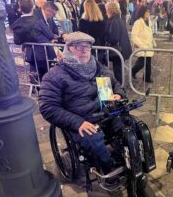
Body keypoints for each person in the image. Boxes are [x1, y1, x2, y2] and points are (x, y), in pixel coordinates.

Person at [38, 32, 126, 184]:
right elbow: (48, 107)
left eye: (87, 46)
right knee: (94, 140)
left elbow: (115, 84)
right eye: (79, 46)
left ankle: (125, 156)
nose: (85, 50)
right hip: (80, 119)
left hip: (105, 112)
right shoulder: (55, 75)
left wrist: (118, 94)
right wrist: (77, 123)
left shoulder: (98, 67)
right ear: (69, 48)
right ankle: (108, 169)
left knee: (128, 126)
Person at [11, 0, 58, 84]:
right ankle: (42, 88)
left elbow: (17, 41)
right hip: (43, 52)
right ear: (32, 7)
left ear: (20, 9)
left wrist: (26, 40)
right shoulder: (38, 21)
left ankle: (35, 83)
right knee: (45, 75)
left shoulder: (16, 24)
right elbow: (50, 35)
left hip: (30, 52)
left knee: (35, 70)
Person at [105, 2, 132, 84]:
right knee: (119, 70)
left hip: (118, 50)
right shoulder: (118, 19)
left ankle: (120, 89)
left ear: (109, 10)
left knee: (118, 71)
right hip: (122, 49)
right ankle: (120, 87)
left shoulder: (114, 21)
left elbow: (114, 38)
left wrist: (107, 39)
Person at [131, 5, 156, 83]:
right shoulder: (138, 22)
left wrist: (153, 42)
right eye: (147, 12)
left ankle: (147, 78)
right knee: (141, 63)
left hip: (148, 46)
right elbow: (134, 36)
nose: (148, 13)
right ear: (143, 12)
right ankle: (133, 71)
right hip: (142, 47)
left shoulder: (149, 21)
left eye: (149, 12)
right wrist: (141, 45)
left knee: (148, 63)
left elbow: (150, 33)